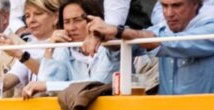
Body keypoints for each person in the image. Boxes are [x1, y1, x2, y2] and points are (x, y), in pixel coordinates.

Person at [86, 0, 214, 94]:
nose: (169, 13)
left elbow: (166, 42)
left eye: (177, 5)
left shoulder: (210, 28)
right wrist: (104, 35)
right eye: (164, 6)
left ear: (195, 5)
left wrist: (117, 31)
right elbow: (131, 43)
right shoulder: (163, 29)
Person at [21, 0, 115, 96]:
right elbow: (45, 85)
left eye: (77, 20)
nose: (71, 28)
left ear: (94, 20)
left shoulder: (110, 48)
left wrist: (48, 85)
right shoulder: (66, 49)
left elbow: (96, 85)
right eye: (66, 22)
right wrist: (50, 48)